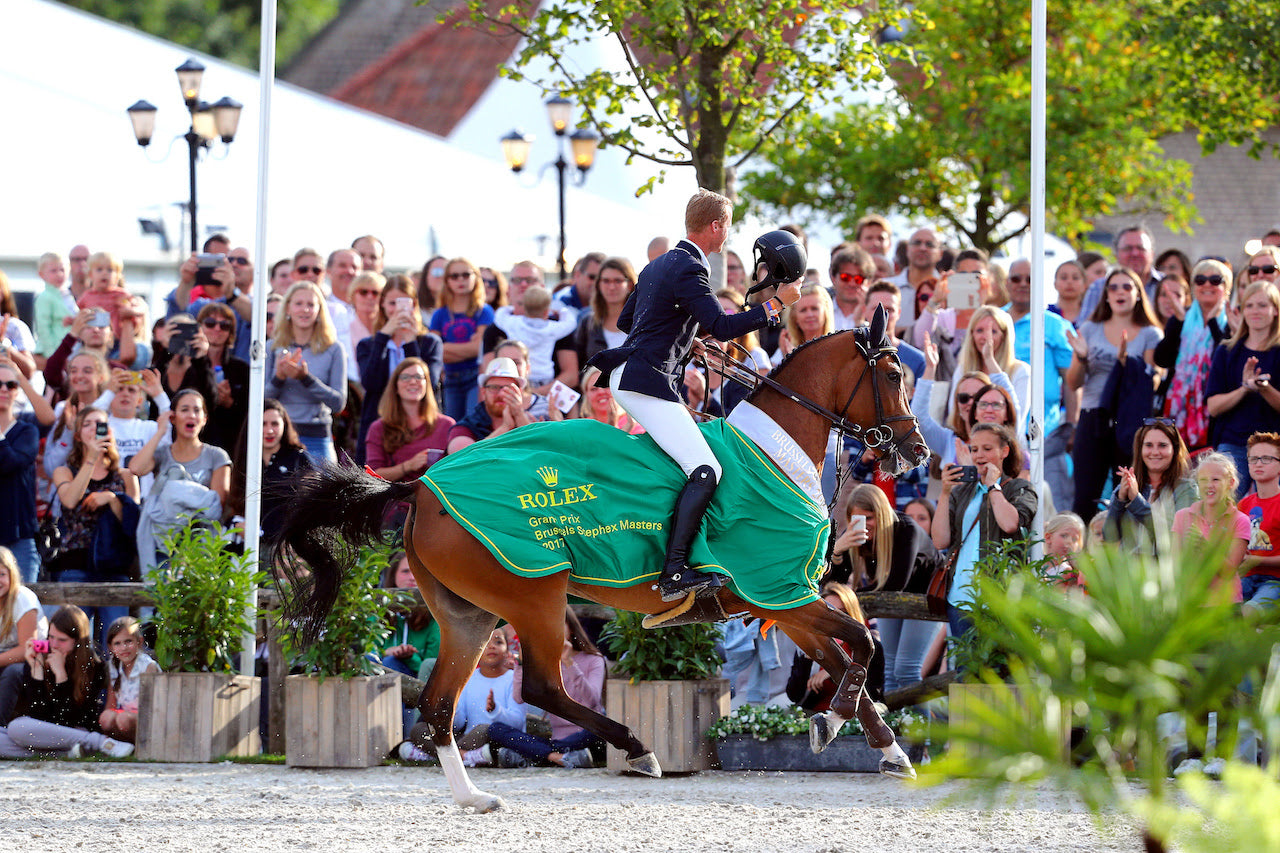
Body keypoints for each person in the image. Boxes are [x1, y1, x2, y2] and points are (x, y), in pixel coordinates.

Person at [587, 196, 804, 602]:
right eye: (730, 225)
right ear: (718, 226)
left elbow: (627, 321)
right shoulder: (689, 266)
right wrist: (775, 305)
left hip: (632, 375)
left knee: (694, 466)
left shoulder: (658, 263)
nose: (730, 233)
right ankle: (674, 571)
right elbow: (722, 325)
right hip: (645, 381)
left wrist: (686, 340)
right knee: (707, 469)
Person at [826, 484, 943, 695]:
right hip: (890, 601)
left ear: (881, 514)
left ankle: (916, 727)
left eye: (869, 518)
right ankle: (895, 726)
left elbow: (895, 583)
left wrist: (848, 598)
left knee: (906, 669)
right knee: (889, 671)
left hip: (926, 598)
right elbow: (834, 583)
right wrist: (837, 550)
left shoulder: (906, 529)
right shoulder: (855, 532)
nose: (863, 525)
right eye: (856, 518)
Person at [1066, 266, 1163, 520]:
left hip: (1129, 421)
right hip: (1093, 417)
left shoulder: (1150, 333)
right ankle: (1081, 556)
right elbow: (1073, 382)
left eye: (1127, 287)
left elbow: (1154, 381)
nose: (1120, 292)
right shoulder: (1090, 329)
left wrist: (1127, 364)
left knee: (1130, 493)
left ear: (1139, 294)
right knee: (1085, 496)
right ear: (1106, 296)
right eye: (1113, 287)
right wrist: (1082, 356)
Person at [932, 423, 1037, 640]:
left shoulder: (1018, 487)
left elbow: (1010, 524)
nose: (979, 455)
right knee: (966, 672)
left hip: (1001, 599)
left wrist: (992, 487)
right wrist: (944, 493)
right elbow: (940, 541)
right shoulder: (962, 491)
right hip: (960, 599)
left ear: (1004, 451)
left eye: (987, 449)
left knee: (996, 671)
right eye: (975, 449)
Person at [49, 407, 140, 647]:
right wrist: (90, 458)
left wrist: (111, 498)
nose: (95, 429)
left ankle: (115, 686)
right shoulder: (64, 470)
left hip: (114, 567)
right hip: (75, 565)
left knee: (118, 642)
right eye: (88, 424)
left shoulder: (127, 476)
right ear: (78, 435)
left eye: (100, 424)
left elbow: (132, 524)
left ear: (109, 431)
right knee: (73, 642)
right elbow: (69, 499)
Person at [0, 605, 133, 759]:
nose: (54, 644)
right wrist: (36, 672)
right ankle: (68, 754)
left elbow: (69, 720)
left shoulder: (94, 667)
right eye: (51, 637)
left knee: (18, 727)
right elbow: (39, 718)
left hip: (75, 730)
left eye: (62, 640)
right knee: (15, 729)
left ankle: (99, 742)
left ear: (77, 641)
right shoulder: (41, 658)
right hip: (41, 734)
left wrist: (61, 677)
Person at [483, 609, 603, 769]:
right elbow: (519, 698)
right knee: (496, 729)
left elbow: (593, 702)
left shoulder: (594, 660)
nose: (552, 630)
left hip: (587, 735)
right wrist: (521, 664)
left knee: (602, 725)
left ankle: (535, 755)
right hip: (557, 739)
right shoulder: (543, 662)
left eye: (558, 625)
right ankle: (558, 757)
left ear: (572, 628)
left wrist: (568, 663)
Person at [403, 627, 526, 767]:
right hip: (467, 740)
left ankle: (435, 755)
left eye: (498, 642)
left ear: (507, 652)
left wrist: (495, 710)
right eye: (486, 643)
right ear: (477, 652)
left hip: (494, 737)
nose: (491, 646)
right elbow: (458, 723)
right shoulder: (467, 678)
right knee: (419, 729)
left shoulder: (513, 680)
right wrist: (449, 709)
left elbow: (518, 722)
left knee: (485, 729)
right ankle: (466, 756)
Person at [354, 275, 444, 466]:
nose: (397, 310)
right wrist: (383, 337)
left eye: (404, 303)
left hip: (421, 426)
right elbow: (370, 382)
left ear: (414, 305)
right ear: (383, 305)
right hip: (379, 423)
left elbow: (429, 382)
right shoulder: (368, 345)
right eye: (392, 303)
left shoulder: (430, 343)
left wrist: (411, 342)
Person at [1205, 281, 1280, 496]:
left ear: (1275, 310)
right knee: (1222, 511)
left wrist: (1264, 388)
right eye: (1249, 305)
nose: (1255, 311)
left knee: (1271, 519)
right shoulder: (1226, 351)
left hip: (1274, 447)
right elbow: (1213, 407)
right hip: (1233, 442)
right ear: (1242, 311)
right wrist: (1244, 389)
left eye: (1262, 305)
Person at [1155, 259, 1233, 451]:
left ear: (1227, 287)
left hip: (1215, 408)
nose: (1207, 284)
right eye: (1200, 280)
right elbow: (1162, 359)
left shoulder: (1234, 320)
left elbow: (1226, 361)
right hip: (1179, 409)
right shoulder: (1183, 316)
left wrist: (1214, 322)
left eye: (1215, 280)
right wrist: (1179, 321)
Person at [266, 281, 347, 463]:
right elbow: (261, 401)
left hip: (317, 437)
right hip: (279, 437)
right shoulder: (272, 347)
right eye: (299, 304)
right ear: (287, 309)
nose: (305, 310)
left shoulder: (334, 349)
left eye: (311, 304)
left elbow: (338, 403)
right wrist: (279, 377)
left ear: (320, 310)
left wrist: (305, 378)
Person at [1104, 419, 1197, 555]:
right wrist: (1120, 499)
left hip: (1167, 573)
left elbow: (1174, 537)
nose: (1155, 452)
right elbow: (1109, 536)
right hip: (1128, 572)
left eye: (1162, 446)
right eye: (1148, 445)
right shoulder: (1128, 486)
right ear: (1140, 449)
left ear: (1174, 449)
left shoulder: (1187, 489)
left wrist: (1136, 501)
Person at [227, 398, 313, 545]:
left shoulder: (298, 458)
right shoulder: (245, 460)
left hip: (287, 545)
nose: (269, 430)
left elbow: (310, 507)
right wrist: (237, 526)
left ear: (284, 426)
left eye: (275, 424)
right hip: (249, 545)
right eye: (262, 424)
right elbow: (235, 506)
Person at [786, 582, 885, 709]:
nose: (835, 619)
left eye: (843, 613)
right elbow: (794, 696)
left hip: (855, 716)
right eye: (829, 612)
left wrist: (838, 671)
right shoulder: (809, 642)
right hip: (816, 714)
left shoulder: (869, 646)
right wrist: (807, 660)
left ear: (852, 613)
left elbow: (874, 694)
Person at [1172, 453, 1249, 600]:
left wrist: (1205, 547)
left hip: (1226, 606)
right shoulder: (1182, 516)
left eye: (1216, 480)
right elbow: (1174, 565)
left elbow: (1229, 572)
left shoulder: (1240, 520)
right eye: (1203, 480)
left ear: (1230, 483)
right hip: (1190, 604)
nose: (1209, 485)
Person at [365, 358, 454, 481]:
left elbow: (458, 470)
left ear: (426, 384)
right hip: (399, 497)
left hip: (439, 496)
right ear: (395, 386)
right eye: (405, 377)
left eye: (418, 377)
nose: (413, 381)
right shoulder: (378, 428)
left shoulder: (447, 425)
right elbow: (373, 475)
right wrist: (408, 466)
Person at [430, 257, 493, 421]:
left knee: (473, 425)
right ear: (447, 281)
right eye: (454, 276)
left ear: (475, 277)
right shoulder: (439, 314)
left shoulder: (484, 311)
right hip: (450, 378)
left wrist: (447, 346)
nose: (460, 280)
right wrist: (468, 348)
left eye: (466, 275)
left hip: (475, 377)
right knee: (453, 427)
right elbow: (434, 353)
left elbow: (478, 348)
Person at [494, 285, 580, 390]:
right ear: (546, 311)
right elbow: (571, 323)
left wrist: (511, 308)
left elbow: (499, 315)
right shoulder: (552, 329)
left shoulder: (513, 323)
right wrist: (561, 312)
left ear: (524, 307)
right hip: (544, 377)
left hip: (518, 374)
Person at [445, 356, 536, 453]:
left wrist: (520, 417)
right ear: (483, 391)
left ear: (519, 392)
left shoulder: (530, 423)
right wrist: (505, 428)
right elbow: (461, 457)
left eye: (508, 388)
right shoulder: (466, 428)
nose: (501, 394)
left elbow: (541, 452)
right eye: (494, 387)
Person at [0, 547, 46, 726]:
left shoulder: (22, 599)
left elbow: (29, 648)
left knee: (13, 672)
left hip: (36, 659)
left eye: (2, 574)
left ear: (11, 575)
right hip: (6, 657)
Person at [195, 302, 249, 454]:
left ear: (231, 331)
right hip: (196, 440)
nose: (217, 329)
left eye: (224, 325)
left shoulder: (241, 368)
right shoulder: (189, 365)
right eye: (210, 323)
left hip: (229, 443)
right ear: (200, 327)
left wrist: (230, 403)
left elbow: (249, 413)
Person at [98, 616, 159, 744]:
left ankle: (141, 745)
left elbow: (153, 707)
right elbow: (111, 704)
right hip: (126, 717)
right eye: (117, 643)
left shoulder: (148, 667)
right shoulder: (113, 667)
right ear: (110, 647)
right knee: (106, 717)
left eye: (128, 641)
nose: (124, 647)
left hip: (149, 719)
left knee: (123, 718)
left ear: (139, 642)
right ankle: (118, 744)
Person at [1238, 432, 1280, 618]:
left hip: (1275, 581)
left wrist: (1258, 560)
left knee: (1248, 613)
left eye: (1266, 458)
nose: (1258, 463)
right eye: (1253, 459)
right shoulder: (1243, 505)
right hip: (1245, 577)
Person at [574, 257, 637, 367]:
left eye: (618, 281)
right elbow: (578, 369)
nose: (611, 287)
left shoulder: (642, 323)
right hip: (593, 384)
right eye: (606, 281)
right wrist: (589, 379)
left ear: (630, 284)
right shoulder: (587, 323)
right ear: (598, 285)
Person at [33, 252, 74, 369]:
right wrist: (53, 355)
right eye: (53, 271)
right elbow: (43, 328)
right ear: (42, 275)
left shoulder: (67, 295)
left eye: (62, 270)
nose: (59, 274)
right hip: (52, 350)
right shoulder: (45, 297)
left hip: (69, 350)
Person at [1042, 511, 1086, 588]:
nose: (1069, 542)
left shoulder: (1066, 571)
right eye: (1064, 536)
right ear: (1048, 537)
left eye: (1074, 539)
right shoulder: (1034, 559)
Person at [346, 270, 385, 353]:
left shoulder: (387, 327)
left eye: (375, 293)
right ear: (353, 296)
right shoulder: (344, 326)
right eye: (363, 292)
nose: (370, 297)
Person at [1049, 259, 1088, 327]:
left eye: (1075, 278)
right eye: (1064, 278)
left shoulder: (1092, 317)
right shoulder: (1046, 316)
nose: (1069, 282)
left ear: (1084, 285)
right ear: (1055, 284)